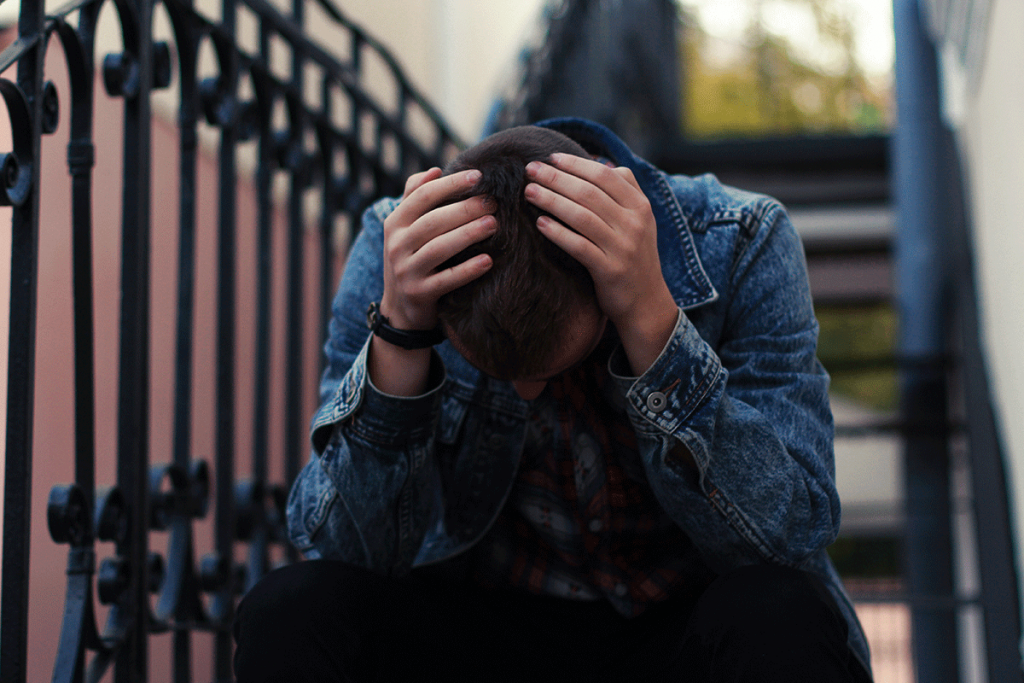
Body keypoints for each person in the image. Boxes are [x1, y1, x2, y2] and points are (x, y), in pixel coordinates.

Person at [233, 119, 874, 682]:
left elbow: (788, 536)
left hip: (681, 629)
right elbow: (347, 553)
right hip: (483, 627)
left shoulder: (740, 238)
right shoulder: (397, 247)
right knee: (292, 610)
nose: (526, 392)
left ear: (605, 287)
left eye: (555, 366)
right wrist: (401, 336)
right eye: (496, 371)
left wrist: (654, 325)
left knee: (778, 613)